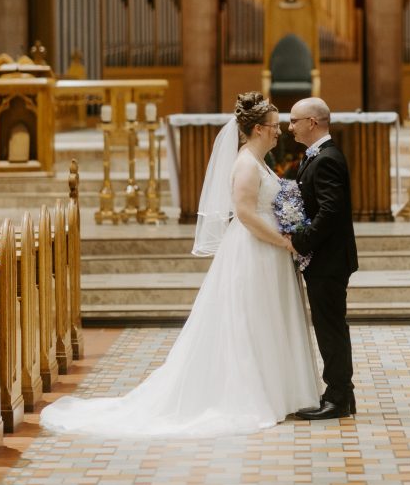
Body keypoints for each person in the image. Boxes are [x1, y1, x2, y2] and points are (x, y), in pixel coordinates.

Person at [40, 92, 320, 439]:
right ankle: (254, 394)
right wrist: (284, 241)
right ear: (259, 129)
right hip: (255, 250)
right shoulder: (246, 163)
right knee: (252, 320)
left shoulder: (258, 161)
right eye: (275, 126)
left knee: (268, 319)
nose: (280, 132)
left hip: (269, 252)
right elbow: (246, 215)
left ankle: (279, 391)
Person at [288, 97, 358, 420]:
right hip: (325, 260)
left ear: (312, 123)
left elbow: (331, 211)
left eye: (294, 121)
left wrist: (302, 240)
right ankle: (341, 394)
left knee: (330, 329)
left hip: (328, 261)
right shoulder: (317, 156)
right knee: (329, 326)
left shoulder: (327, 159)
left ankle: (338, 398)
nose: (290, 127)